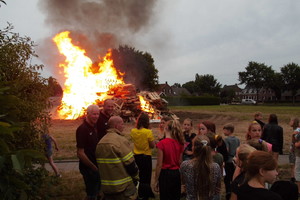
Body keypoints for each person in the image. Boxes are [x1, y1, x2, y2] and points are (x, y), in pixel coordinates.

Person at [96, 116, 139, 200]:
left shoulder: (100, 143)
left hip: (107, 189)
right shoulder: (120, 141)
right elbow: (130, 164)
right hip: (123, 189)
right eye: (122, 124)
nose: (123, 126)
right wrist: (136, 177)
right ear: (116, 126)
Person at [181, 135, 222, 200]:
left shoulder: (185, 165)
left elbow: (184, 185)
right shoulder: (216, 167)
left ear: (193, 148)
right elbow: (217, 189)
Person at [154, 119, 184, 200]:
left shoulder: (161, 144)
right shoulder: (180, 143)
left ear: (166, 128)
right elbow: (180, 162)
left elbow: (159, 164)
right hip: (176, 173)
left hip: (165, 174)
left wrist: (156, 180)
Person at [76, 104, 101, 200]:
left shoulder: (93, 127)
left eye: (97, 114)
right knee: (91, 194)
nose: (96, 116)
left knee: (97, 191)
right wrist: (93, 167)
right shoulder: (82, 129)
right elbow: (80, 153)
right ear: (87, 114)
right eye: (93, 114)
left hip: (95, 166)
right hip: (88, 168)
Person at [130, 112, 155, 200]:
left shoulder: (133, 131)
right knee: (146, 176)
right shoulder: (148, 132)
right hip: (146, 156)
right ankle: (146, 195)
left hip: (136, 156)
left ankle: (139, 192)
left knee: (139, 176)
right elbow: (152, 145)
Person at [223, 123, 240, 200]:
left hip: (228, 161)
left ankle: (228, 192)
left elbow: (227, 150)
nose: (223, 131)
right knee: (234, 177)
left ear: (229, 130)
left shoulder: (226, 140)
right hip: (235, 160)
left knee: (227, 178)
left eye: (225, 130)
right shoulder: (237, 139)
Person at [289, 118, 300, 182]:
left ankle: (293, 178)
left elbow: (295, 142)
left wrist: (293, 147)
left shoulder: (297, 130)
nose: (290, 122)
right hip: (295, 150)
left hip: (295, 150)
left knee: (293, 164)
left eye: (291, 121)